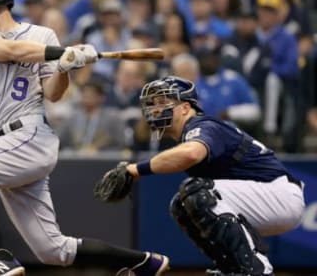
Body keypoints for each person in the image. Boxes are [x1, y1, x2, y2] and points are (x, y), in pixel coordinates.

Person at [0, 0, 169, 276]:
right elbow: (7, 50)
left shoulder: (42, 35)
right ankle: (145, 262)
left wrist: (65, 68)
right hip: (4, 143)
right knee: (54, 252)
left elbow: (54, 94)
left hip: (29, 135)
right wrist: (64, 52)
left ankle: (0, 256)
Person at [107, 76, 305, 276]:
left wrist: (135, 169)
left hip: (278, 194)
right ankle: (232, 268)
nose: (155, 109)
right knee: (181, 206)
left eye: (163, 102)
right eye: (153, 104)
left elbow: (192, 153)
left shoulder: (203, 125)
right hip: (262, 198)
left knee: (196, 192)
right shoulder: (192, 131)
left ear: (185, 108)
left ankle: (256, 269)